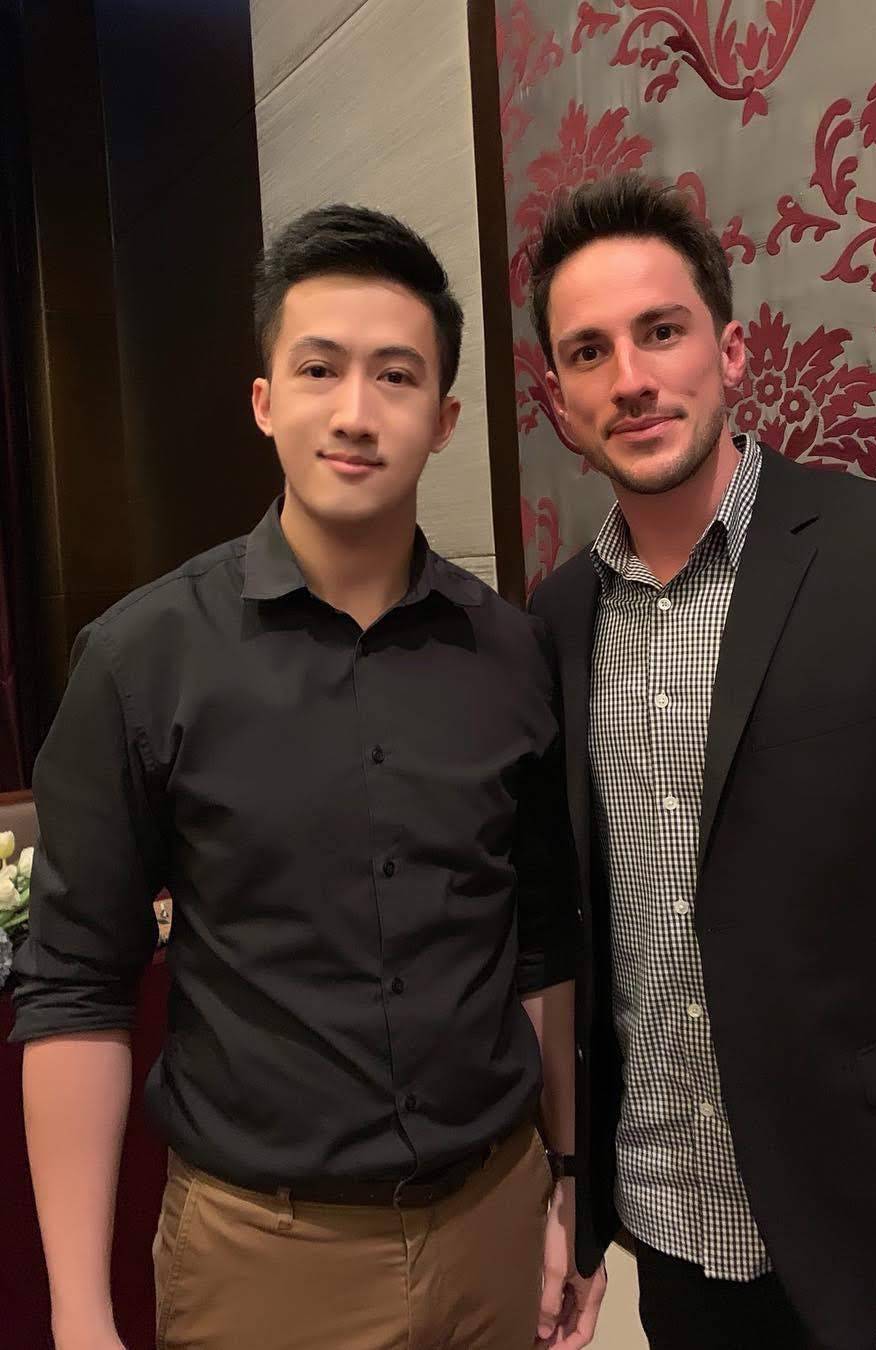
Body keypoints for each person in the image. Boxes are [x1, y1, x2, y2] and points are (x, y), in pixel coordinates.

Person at [12, 203, 604, 1350]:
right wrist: (79, 1313)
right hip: (263, 1259)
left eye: (396, 377)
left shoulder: (512, 652)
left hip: (494, 1217)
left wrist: (567, 1180)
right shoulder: (141, 659)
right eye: (319, 368)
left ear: (444, 419)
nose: (354, 412)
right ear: (264, 400)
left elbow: (541, 942)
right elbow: (76, 985)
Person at [525, 172, 876, 1350]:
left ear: (730, 352)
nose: (631, 378)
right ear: (560, 402)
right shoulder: (555, 621)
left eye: (661, 332)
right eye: (588, 352)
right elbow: (567, 927)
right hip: (668, 1234)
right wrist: (567, 1189)